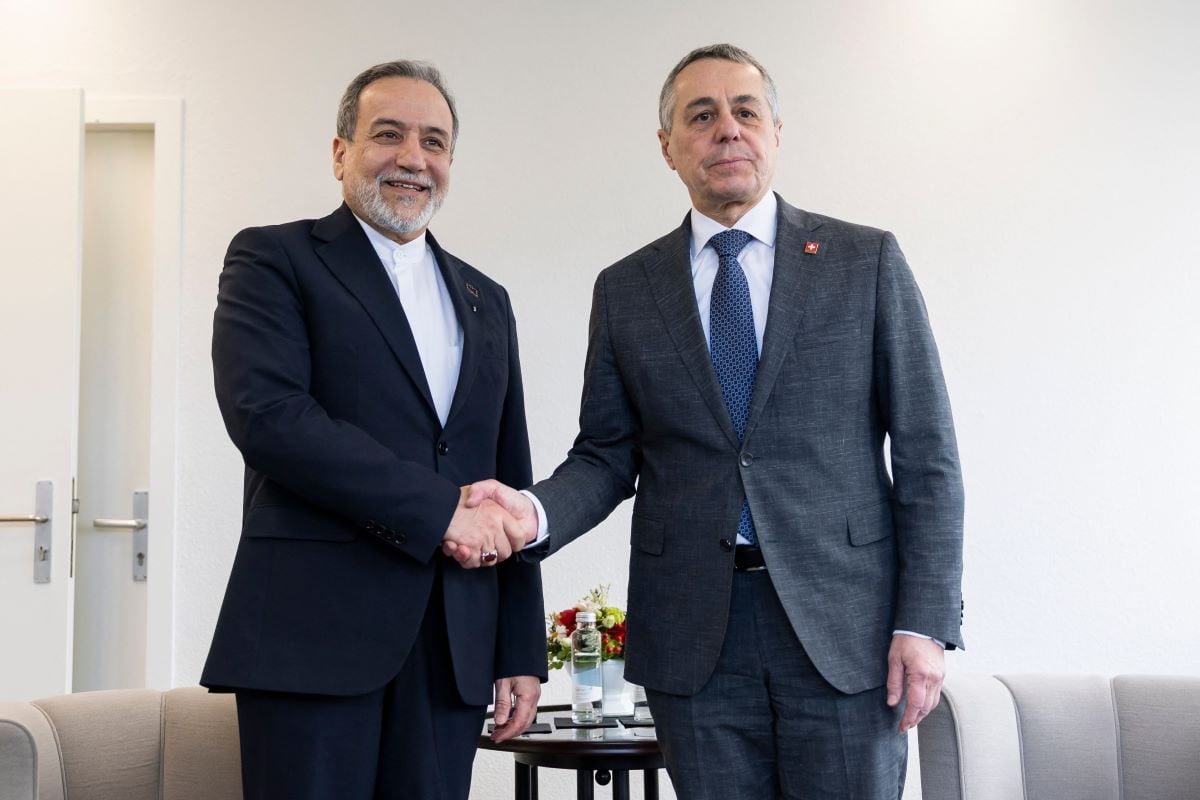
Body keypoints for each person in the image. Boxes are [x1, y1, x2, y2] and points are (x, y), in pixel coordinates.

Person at [466, 44, 964, 798]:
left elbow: (928, 456)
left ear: (775, 131)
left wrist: (923, 624)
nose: (726, 129)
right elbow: (606, 456)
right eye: (702, 116)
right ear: (668, 148)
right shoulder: (628, 289)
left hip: (846, 633)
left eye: (745, 111)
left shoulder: (864, 262)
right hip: (695, 640)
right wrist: (530, 511)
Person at [202, 60, 545, 800]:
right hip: (310, 633)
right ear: (340, 153)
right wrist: (439, 511)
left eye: (435, 142)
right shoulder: (275, 258)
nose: (413, 159)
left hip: (454, 640)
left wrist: (521, 647)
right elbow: (271, 419)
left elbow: (504, 472)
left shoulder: (490, 299)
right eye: (388, 135)